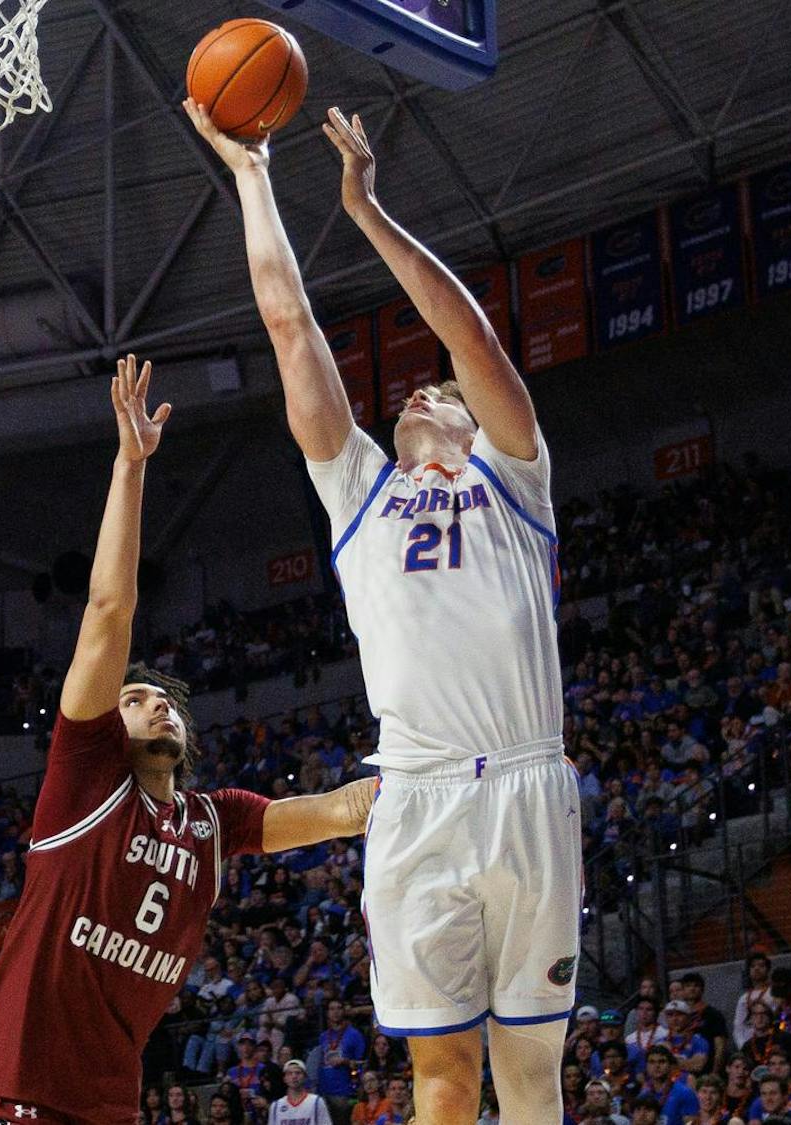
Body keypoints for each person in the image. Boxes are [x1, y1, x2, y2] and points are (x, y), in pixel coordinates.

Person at [186, 92, 576, 1125]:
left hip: (530, 785)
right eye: (407, 392)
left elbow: (471, 337)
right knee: (440, 1081)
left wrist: (365, 210)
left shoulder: (514, 476)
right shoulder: (357, 492)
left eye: (436, 392)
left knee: (532, 1079)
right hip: (416, 799)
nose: (420, 391)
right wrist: (254, 178)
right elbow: (288, 323)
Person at [0, 358, 376, 1125]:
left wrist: (479, 768)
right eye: (136, 699)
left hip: (107, 1109)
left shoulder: (216, 822)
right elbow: (110, 608)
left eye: (167, 701)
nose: (158, 706)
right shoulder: (84, 779)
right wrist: (130, 464)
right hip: (9, 1099)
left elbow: (345, 809)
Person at [270, 1060, 333, 1124]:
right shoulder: (276, 1105)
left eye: (298, 1073)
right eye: (289, 1073)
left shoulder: (316, 1102)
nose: (294, 1076)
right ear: (284, 1079)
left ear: (305, 1077)